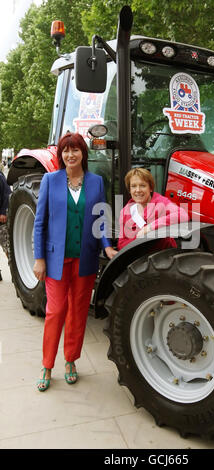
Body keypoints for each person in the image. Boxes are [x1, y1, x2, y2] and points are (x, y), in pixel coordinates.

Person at [33, 132, 117, 391]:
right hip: (56, 259)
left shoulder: (96, 182)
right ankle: (47, 365)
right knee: (55, 312)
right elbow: (40, 222)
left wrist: (107, 247)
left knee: (78, 313)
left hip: (85, 259)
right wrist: (39, 259)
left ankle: (71, 360)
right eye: (66, 150)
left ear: (83, 154)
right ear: (61, 155)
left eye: (75, 150)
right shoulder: (50, 180)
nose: (70, 155)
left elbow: (100, 219)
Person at [118, 168, 189, 251]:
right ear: (130, 190)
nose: (138, 190)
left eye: (142, 185)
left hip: (164, 256)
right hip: (139, 259)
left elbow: (183, 215)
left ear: (150, 188)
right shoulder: (125, 212)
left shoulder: (161, 202)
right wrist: (138, 239)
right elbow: (121, 244)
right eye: (133, 186)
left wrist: (150, 228)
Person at [0, 168, 11, 281]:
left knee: (7, 248)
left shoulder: (0, 177)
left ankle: (15, 273)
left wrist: (3, 212)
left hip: (1, 221)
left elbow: (7, 194)